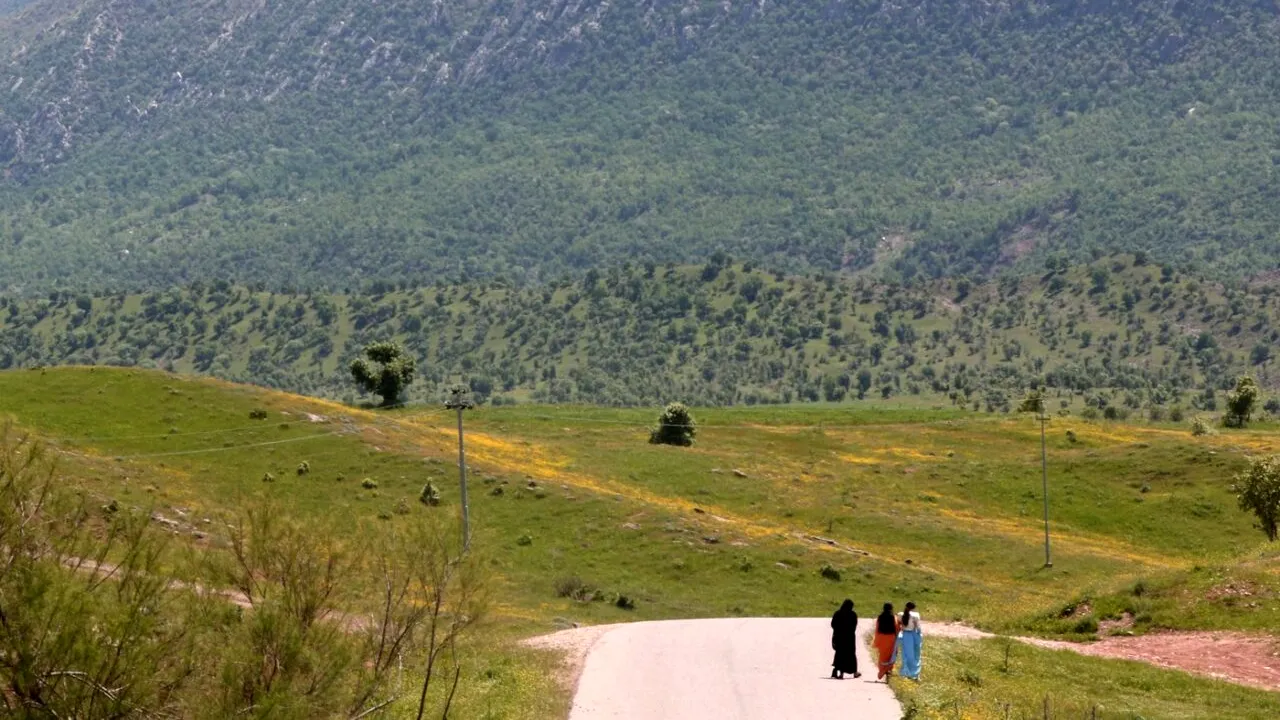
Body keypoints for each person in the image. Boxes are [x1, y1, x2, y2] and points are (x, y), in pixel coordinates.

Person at [829, 599, 861, 679]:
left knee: (840, 654)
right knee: (851, 655)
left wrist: (838, 631)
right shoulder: (853, 614)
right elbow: (854, 626)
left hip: (839, 637)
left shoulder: (838, 613)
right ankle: (855, 672)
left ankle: (841, 673)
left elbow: (833, 624)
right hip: (850, 638)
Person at [873, 602, 900, 680]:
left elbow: (877, 629)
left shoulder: (880, 617)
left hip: (881, 638)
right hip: (891, 638)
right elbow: (896, 628)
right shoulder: (893, 617)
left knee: (882, 657)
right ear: (891, 608)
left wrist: (876, 639)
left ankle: (882, 670)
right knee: (891, 656)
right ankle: (888, 671)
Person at [898, 601, 922, 681]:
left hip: (904, 635)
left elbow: (899, 623)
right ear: (913, 608)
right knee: (915, 654)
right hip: (912, 635)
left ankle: (905, 672)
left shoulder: (900, 614)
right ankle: (914, 673)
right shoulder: (915, 615)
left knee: (905, 654)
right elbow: (918, 627)